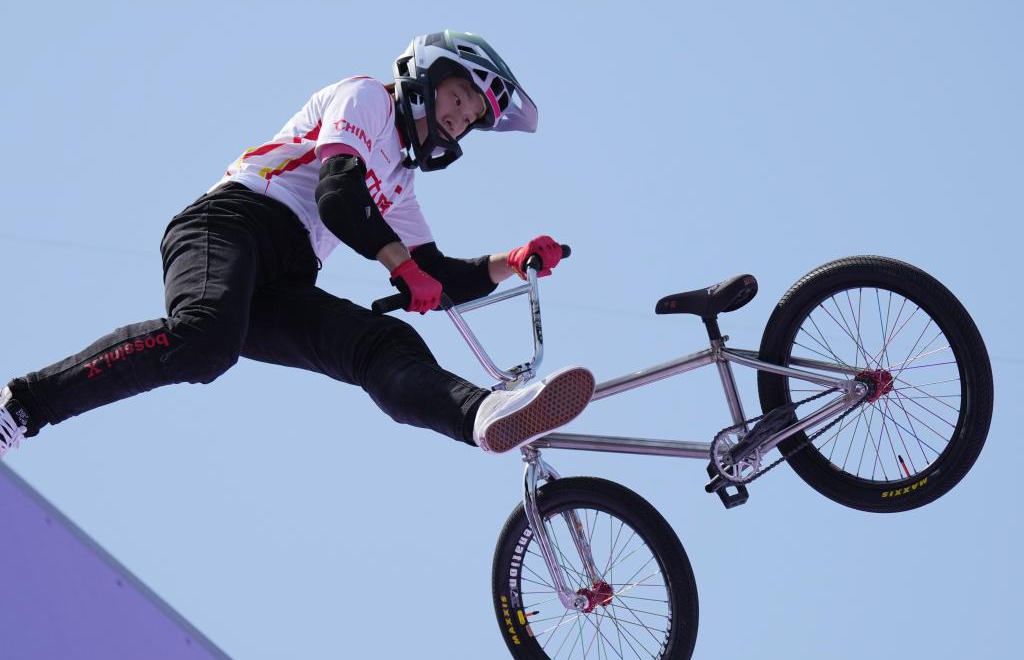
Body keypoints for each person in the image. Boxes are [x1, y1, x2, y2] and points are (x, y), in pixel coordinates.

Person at [0, 30, 594, 461]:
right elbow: (339, 196)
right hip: (231, 223)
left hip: (288, 273)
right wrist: (400, 266)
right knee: (205, 340)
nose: (459, 120)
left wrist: (511, 262)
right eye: (460, 97)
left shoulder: (399, 183)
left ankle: (481, 413)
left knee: (381, 343)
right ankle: (21, 406)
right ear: (426, 76)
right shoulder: (367, 97)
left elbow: (435, 275)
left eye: (471, 119)